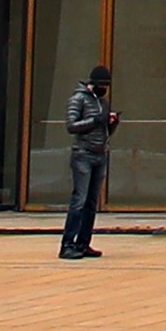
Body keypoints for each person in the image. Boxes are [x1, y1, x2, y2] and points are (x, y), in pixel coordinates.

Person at [58, 66, 118, 260]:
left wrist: (111, 123)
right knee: (79, 201)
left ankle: (83, 243)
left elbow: (105, 131)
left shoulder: (103, 102)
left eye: (107, 85)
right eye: (101, 85)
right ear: (92, 83)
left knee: (91, 203)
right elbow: (71, 126)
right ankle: (67, 244)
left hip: (100, 154)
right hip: (83, 154)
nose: (104, 88)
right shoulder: (78, 99)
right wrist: (96, 120)